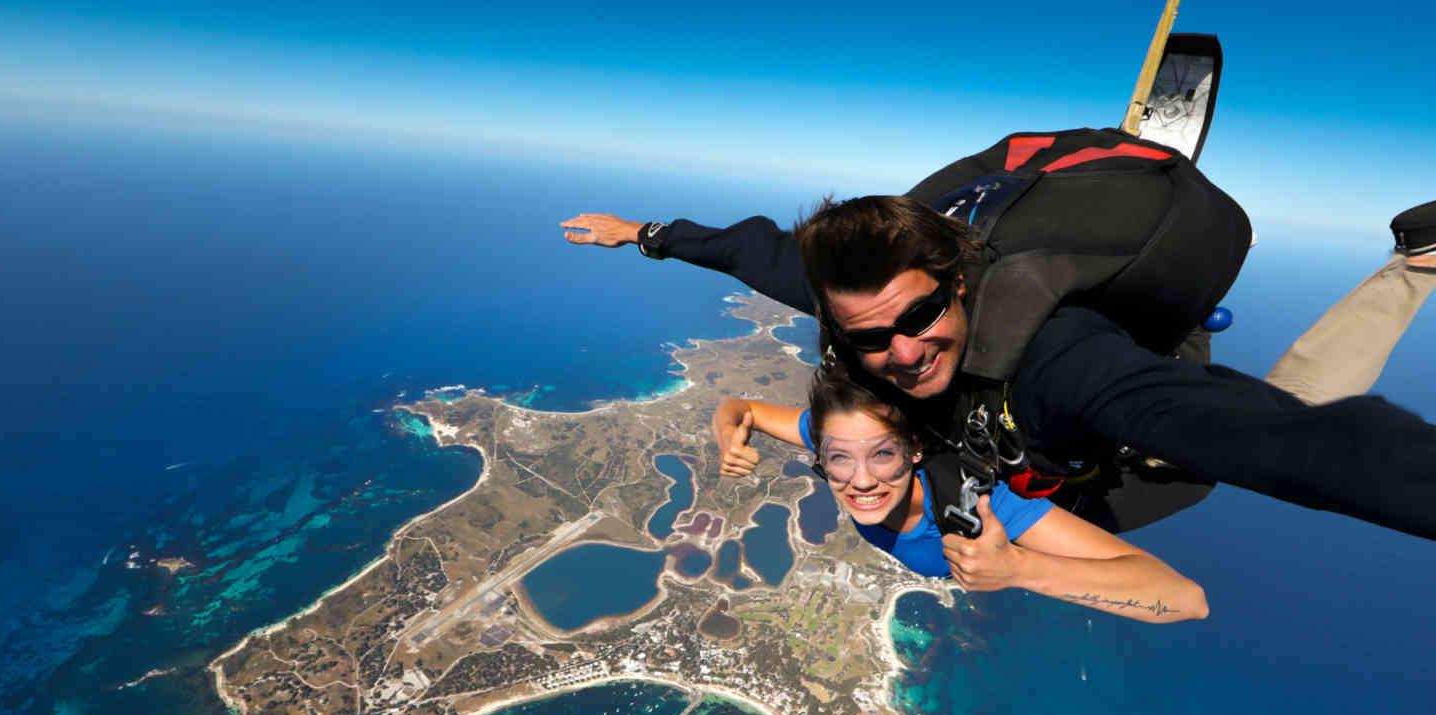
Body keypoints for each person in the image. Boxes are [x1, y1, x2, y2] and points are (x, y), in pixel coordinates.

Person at [563, 131, 1436, 540]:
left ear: (959, 284)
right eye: (873, 338)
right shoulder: (849, 305)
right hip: (1040, 454)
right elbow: (752, 250)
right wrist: (645, 234)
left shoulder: (1058, 359)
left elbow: (1279, 441)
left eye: (921, 318)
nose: (902, 351)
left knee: (1240, 436)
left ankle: (1416, 266)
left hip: (1114, 441)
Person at [712, 359, 1207, 623]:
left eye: (883, 455)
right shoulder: (839, 435)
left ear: (916, 451)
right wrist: (726, 437)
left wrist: (1018, 569)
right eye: (839, 458)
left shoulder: (980, 506)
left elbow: (1186, 599)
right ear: (820, 451)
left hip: (1102, 494)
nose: (860, 479)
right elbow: (739, 408)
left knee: (1200, 463)